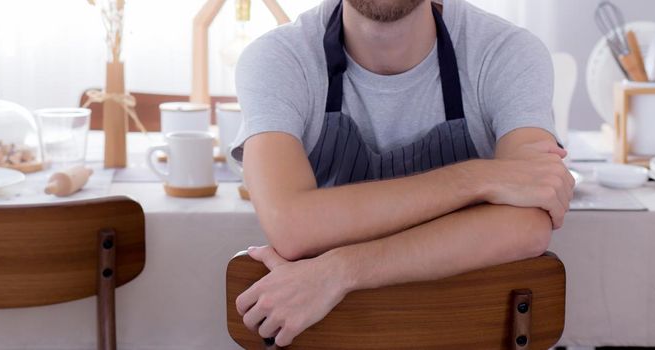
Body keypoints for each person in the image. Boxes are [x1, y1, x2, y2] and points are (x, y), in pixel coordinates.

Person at [229, 0, 575, 346]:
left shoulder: (506, 52)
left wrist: (342, 270)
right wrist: (478, 178)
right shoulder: (279, 59)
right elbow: (292, 227)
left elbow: (529, 224)